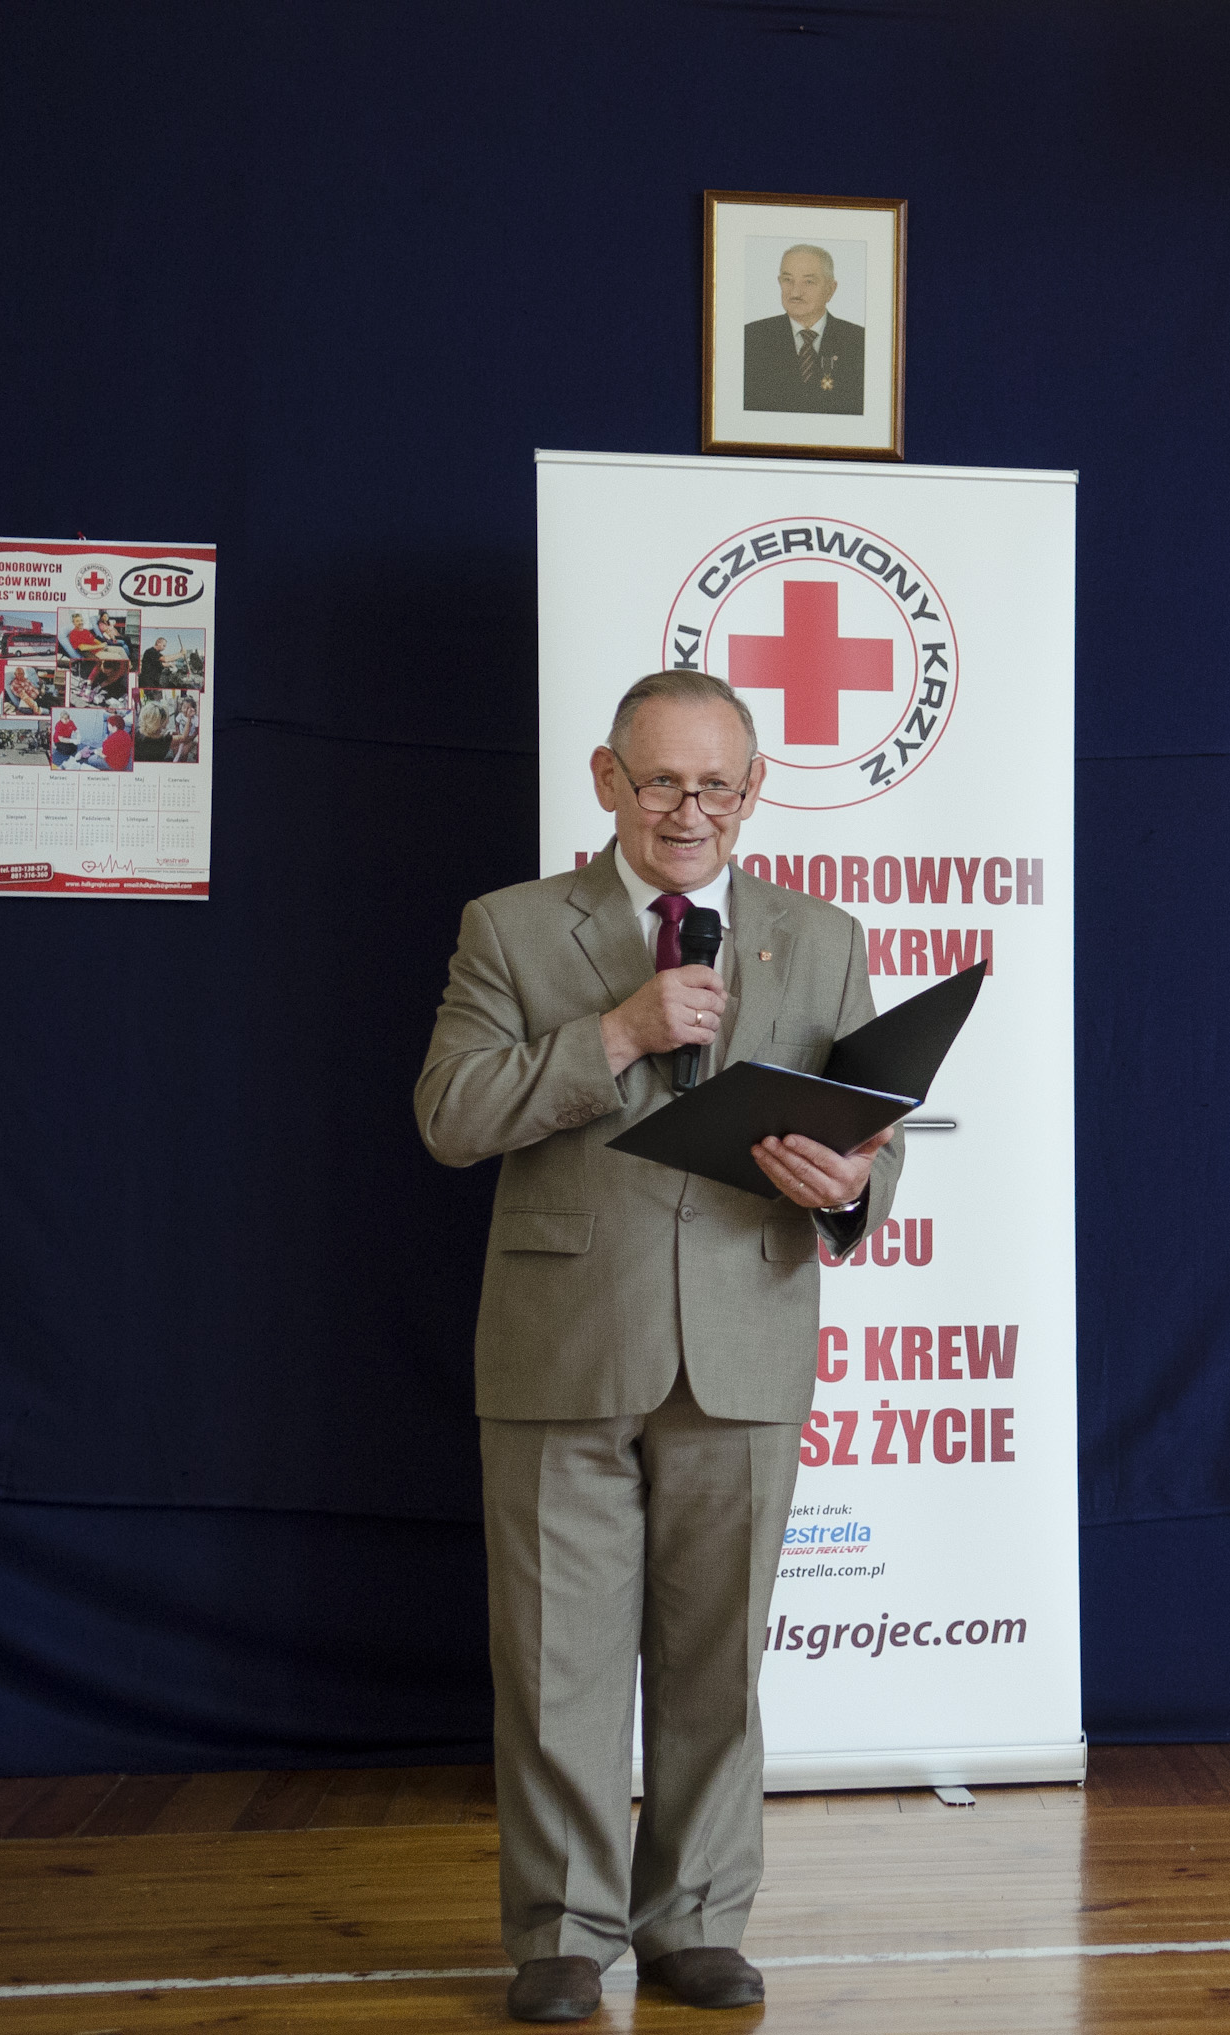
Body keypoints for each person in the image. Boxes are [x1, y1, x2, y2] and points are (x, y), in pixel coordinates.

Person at [414, 669, 901, 2025]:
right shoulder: (512, 927)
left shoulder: (820, 936)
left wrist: (850, 1183)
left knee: (715, 1664)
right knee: (556, 1660)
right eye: (663, 781)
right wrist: (615, 1034)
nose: (691, 811)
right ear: (607, 780)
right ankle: (563, 1932)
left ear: (755, 790)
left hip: (745, 1336)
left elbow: (871, 1132)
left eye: (718, 785)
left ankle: (694, 1921)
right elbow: (450, 1114)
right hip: (563, 1340)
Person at [738, 242, 865, 416]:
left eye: (809, 282)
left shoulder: (860, 342)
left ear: (830, 289)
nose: (795, 292)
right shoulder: (751, 338)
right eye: (787, 280)